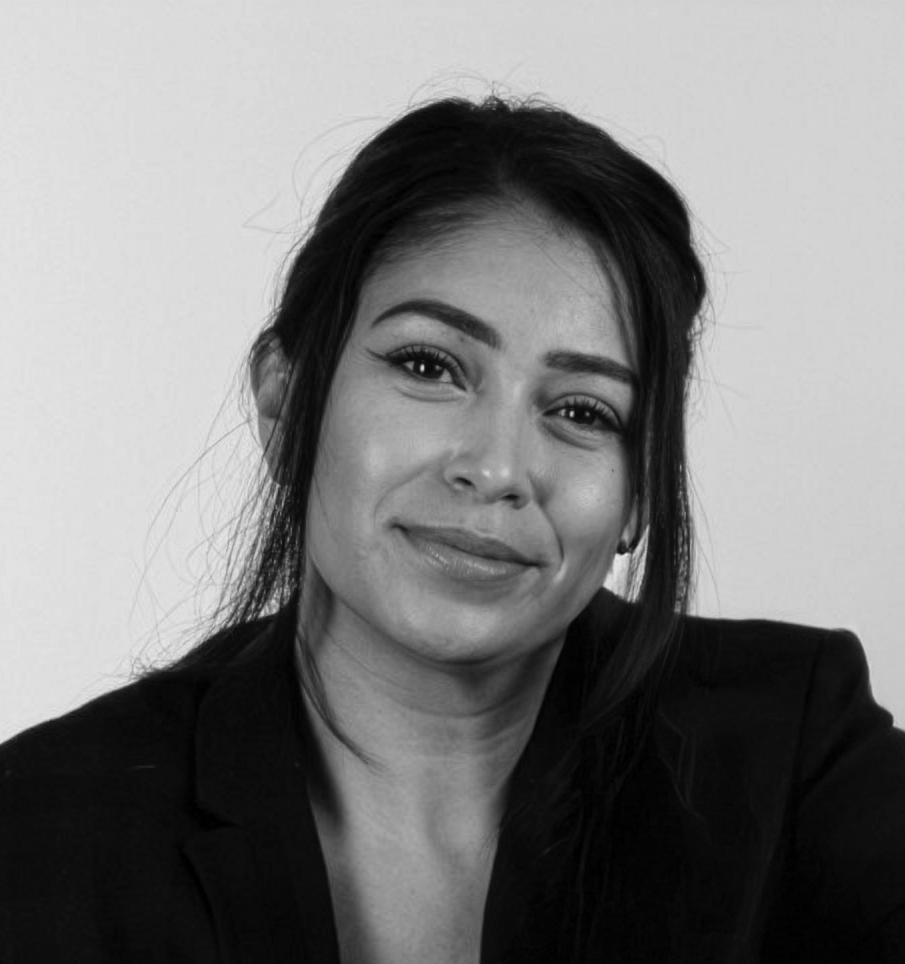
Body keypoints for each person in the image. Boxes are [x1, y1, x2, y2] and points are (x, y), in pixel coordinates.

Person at [1, 95, 903, 964]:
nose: (497, 466)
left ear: (639, 493)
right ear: (285, 403)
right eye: (428, 365)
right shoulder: (42, 835)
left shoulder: (795, 753)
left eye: (582, 411)